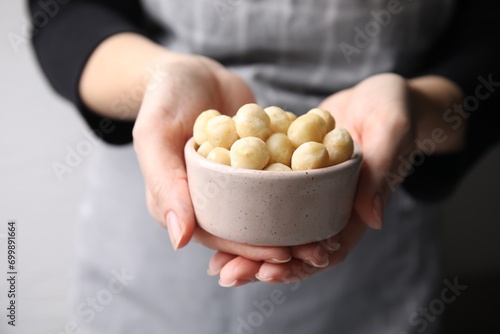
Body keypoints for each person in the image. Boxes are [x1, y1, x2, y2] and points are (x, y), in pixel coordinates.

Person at [29, 0, 500, 333]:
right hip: (150, 264)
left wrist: (419, 107)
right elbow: (62, 10)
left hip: (371, 259)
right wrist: (157, 79)